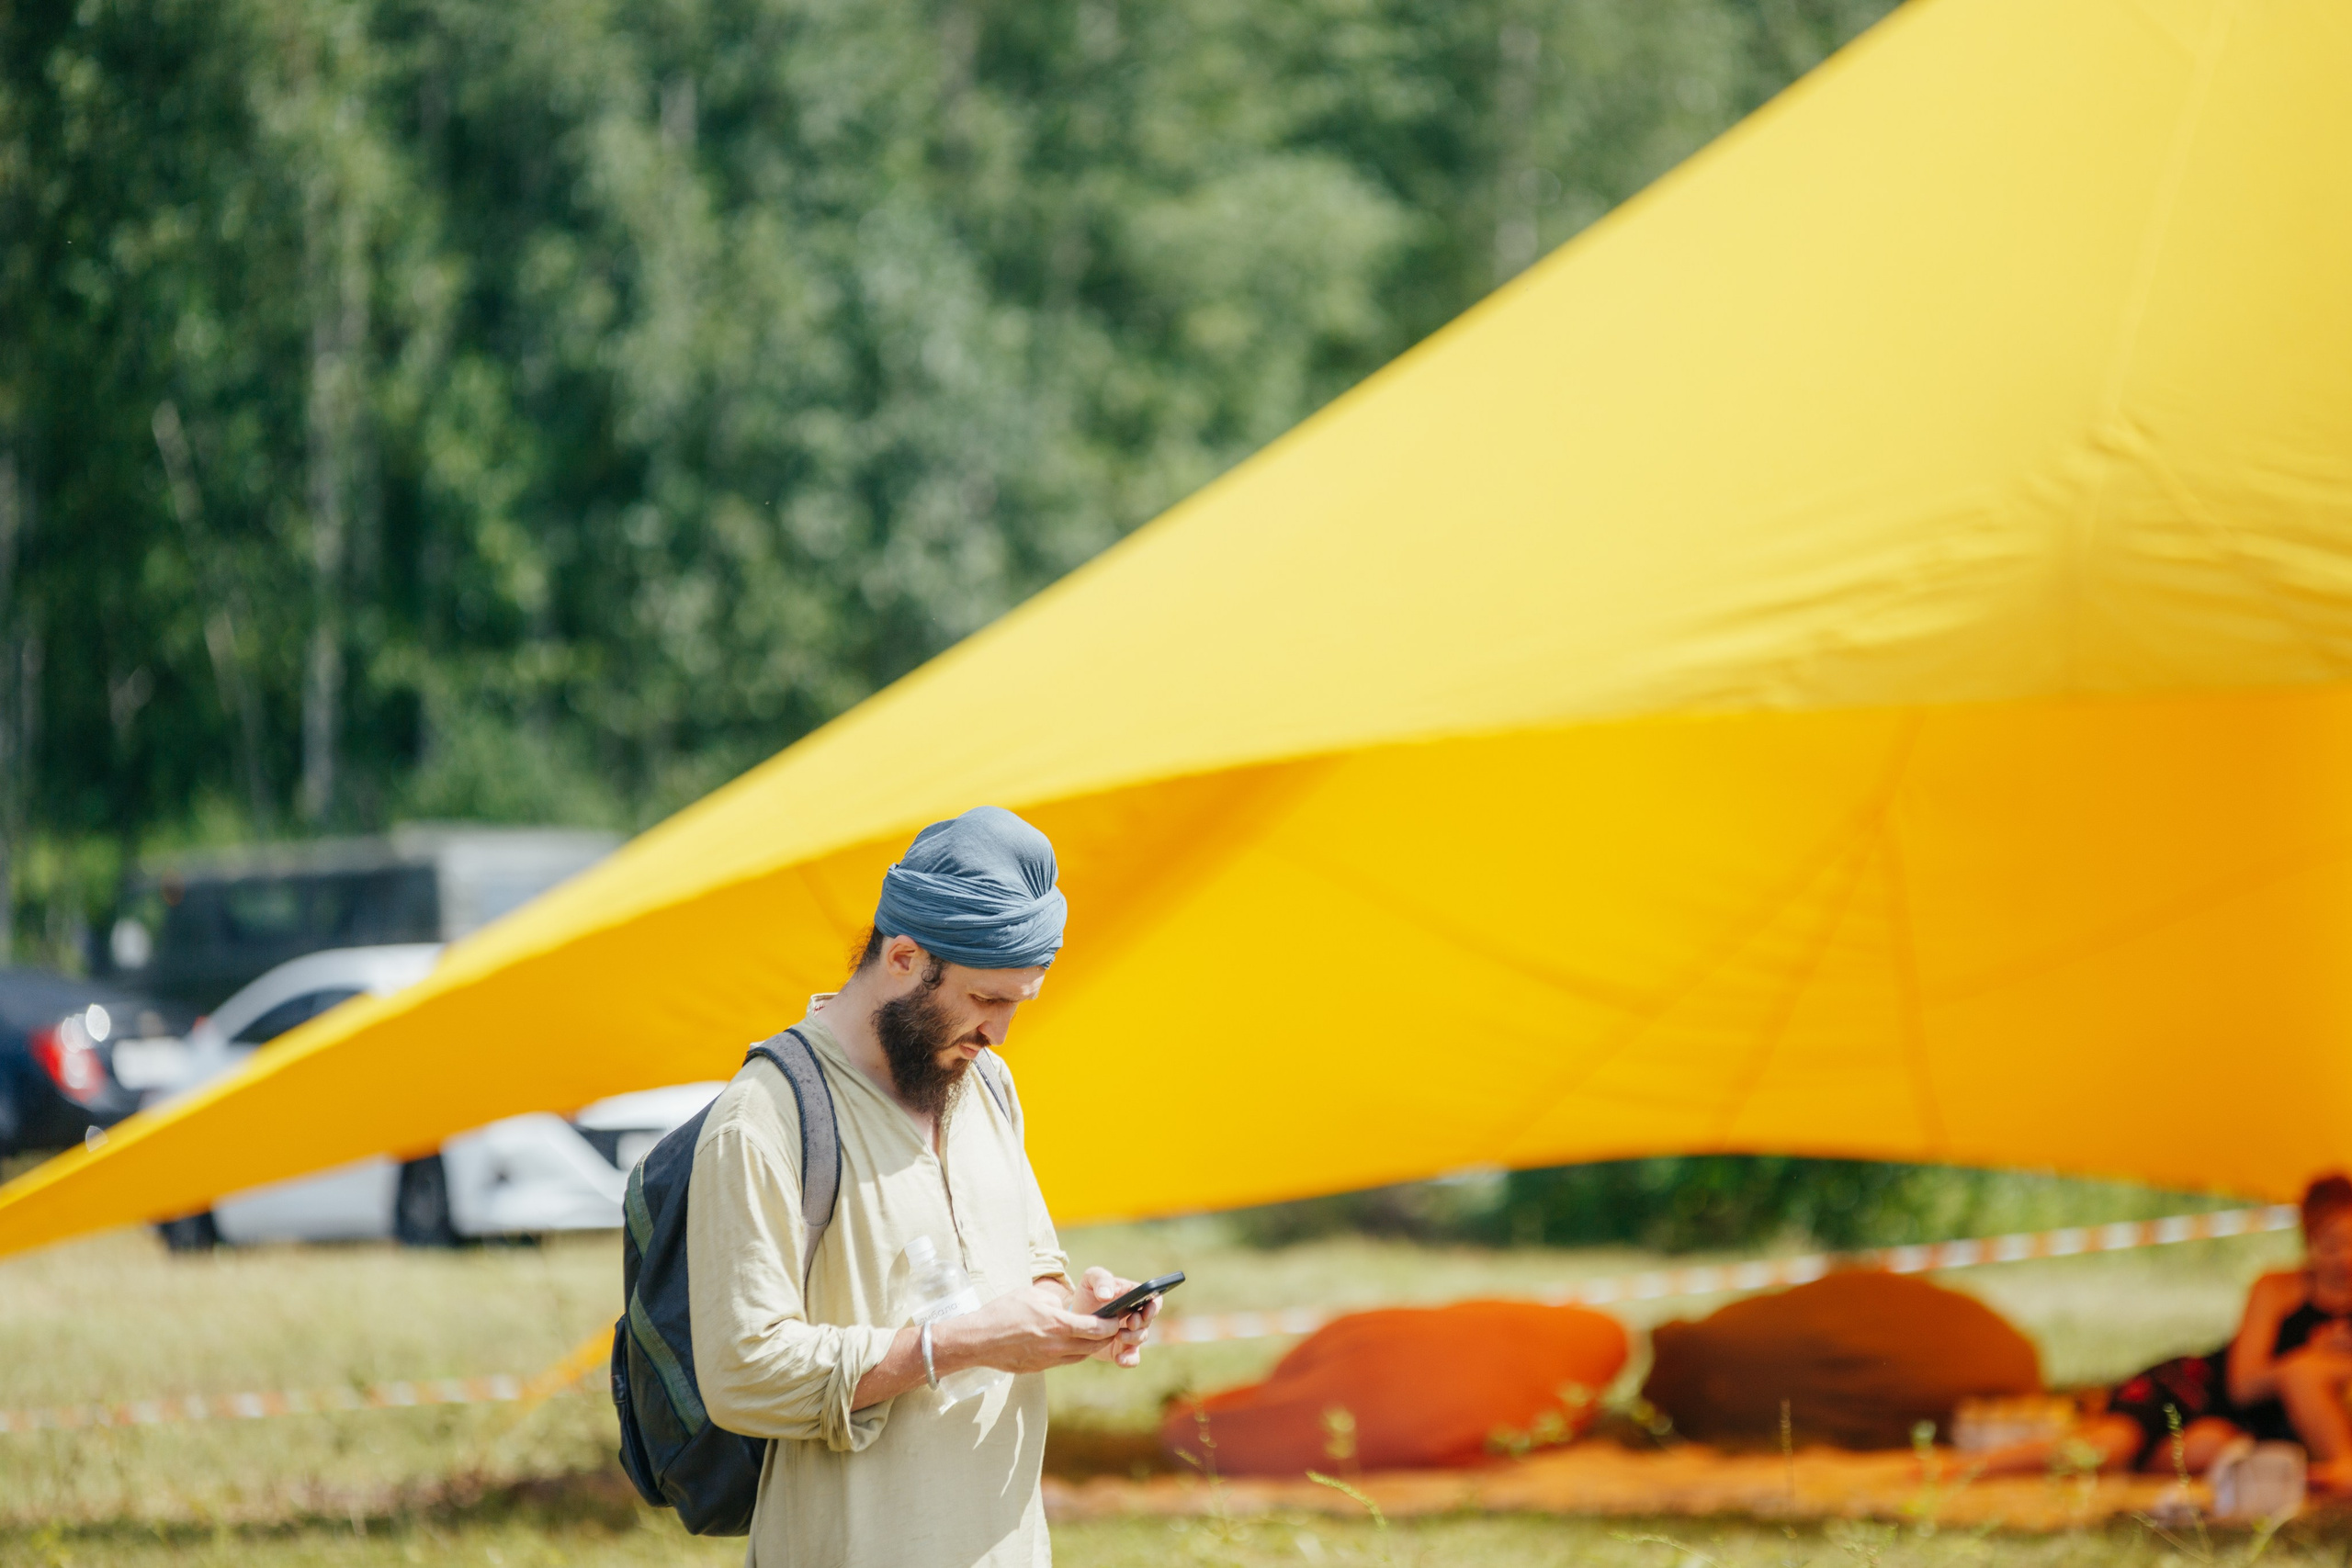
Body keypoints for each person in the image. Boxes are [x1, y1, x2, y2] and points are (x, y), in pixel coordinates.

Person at [685, 806, 1161, 1567]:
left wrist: (1081, 1310)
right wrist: (957, 1344)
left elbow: (1030, 1281)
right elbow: (744, 1376)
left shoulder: (988, 1083)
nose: (1000, 1032)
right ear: (903, 957)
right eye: (986, 1000)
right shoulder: (764, 1116)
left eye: (1016, 1003)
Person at [1975, 1174, 2352, 1490]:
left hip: (2235, 1432)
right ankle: (1967, 1467)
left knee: (2210, 1450)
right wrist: (2308, 1359)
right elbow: (2243, 1384)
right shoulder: (2277, 1289)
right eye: (2330, 1244)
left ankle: (2127, 1469)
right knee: (2110, 1445)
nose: (2344, 1258)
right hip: (2195, 1391)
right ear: (2308, 1242)